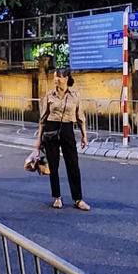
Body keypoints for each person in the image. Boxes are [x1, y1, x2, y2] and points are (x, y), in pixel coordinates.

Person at [33, 68, 91, 210]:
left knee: (73, 165)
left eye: (58, 77)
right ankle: (57, 197)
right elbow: (42, 119)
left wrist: (84, 135)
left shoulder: (75, 96)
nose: (56, 80)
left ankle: (78, 199)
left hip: (67, 130)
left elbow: (80, 117)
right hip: (51, 131)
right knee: (53, 165)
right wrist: (38, 140)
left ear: (66, 79)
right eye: (54, 77)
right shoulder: (48, 96)